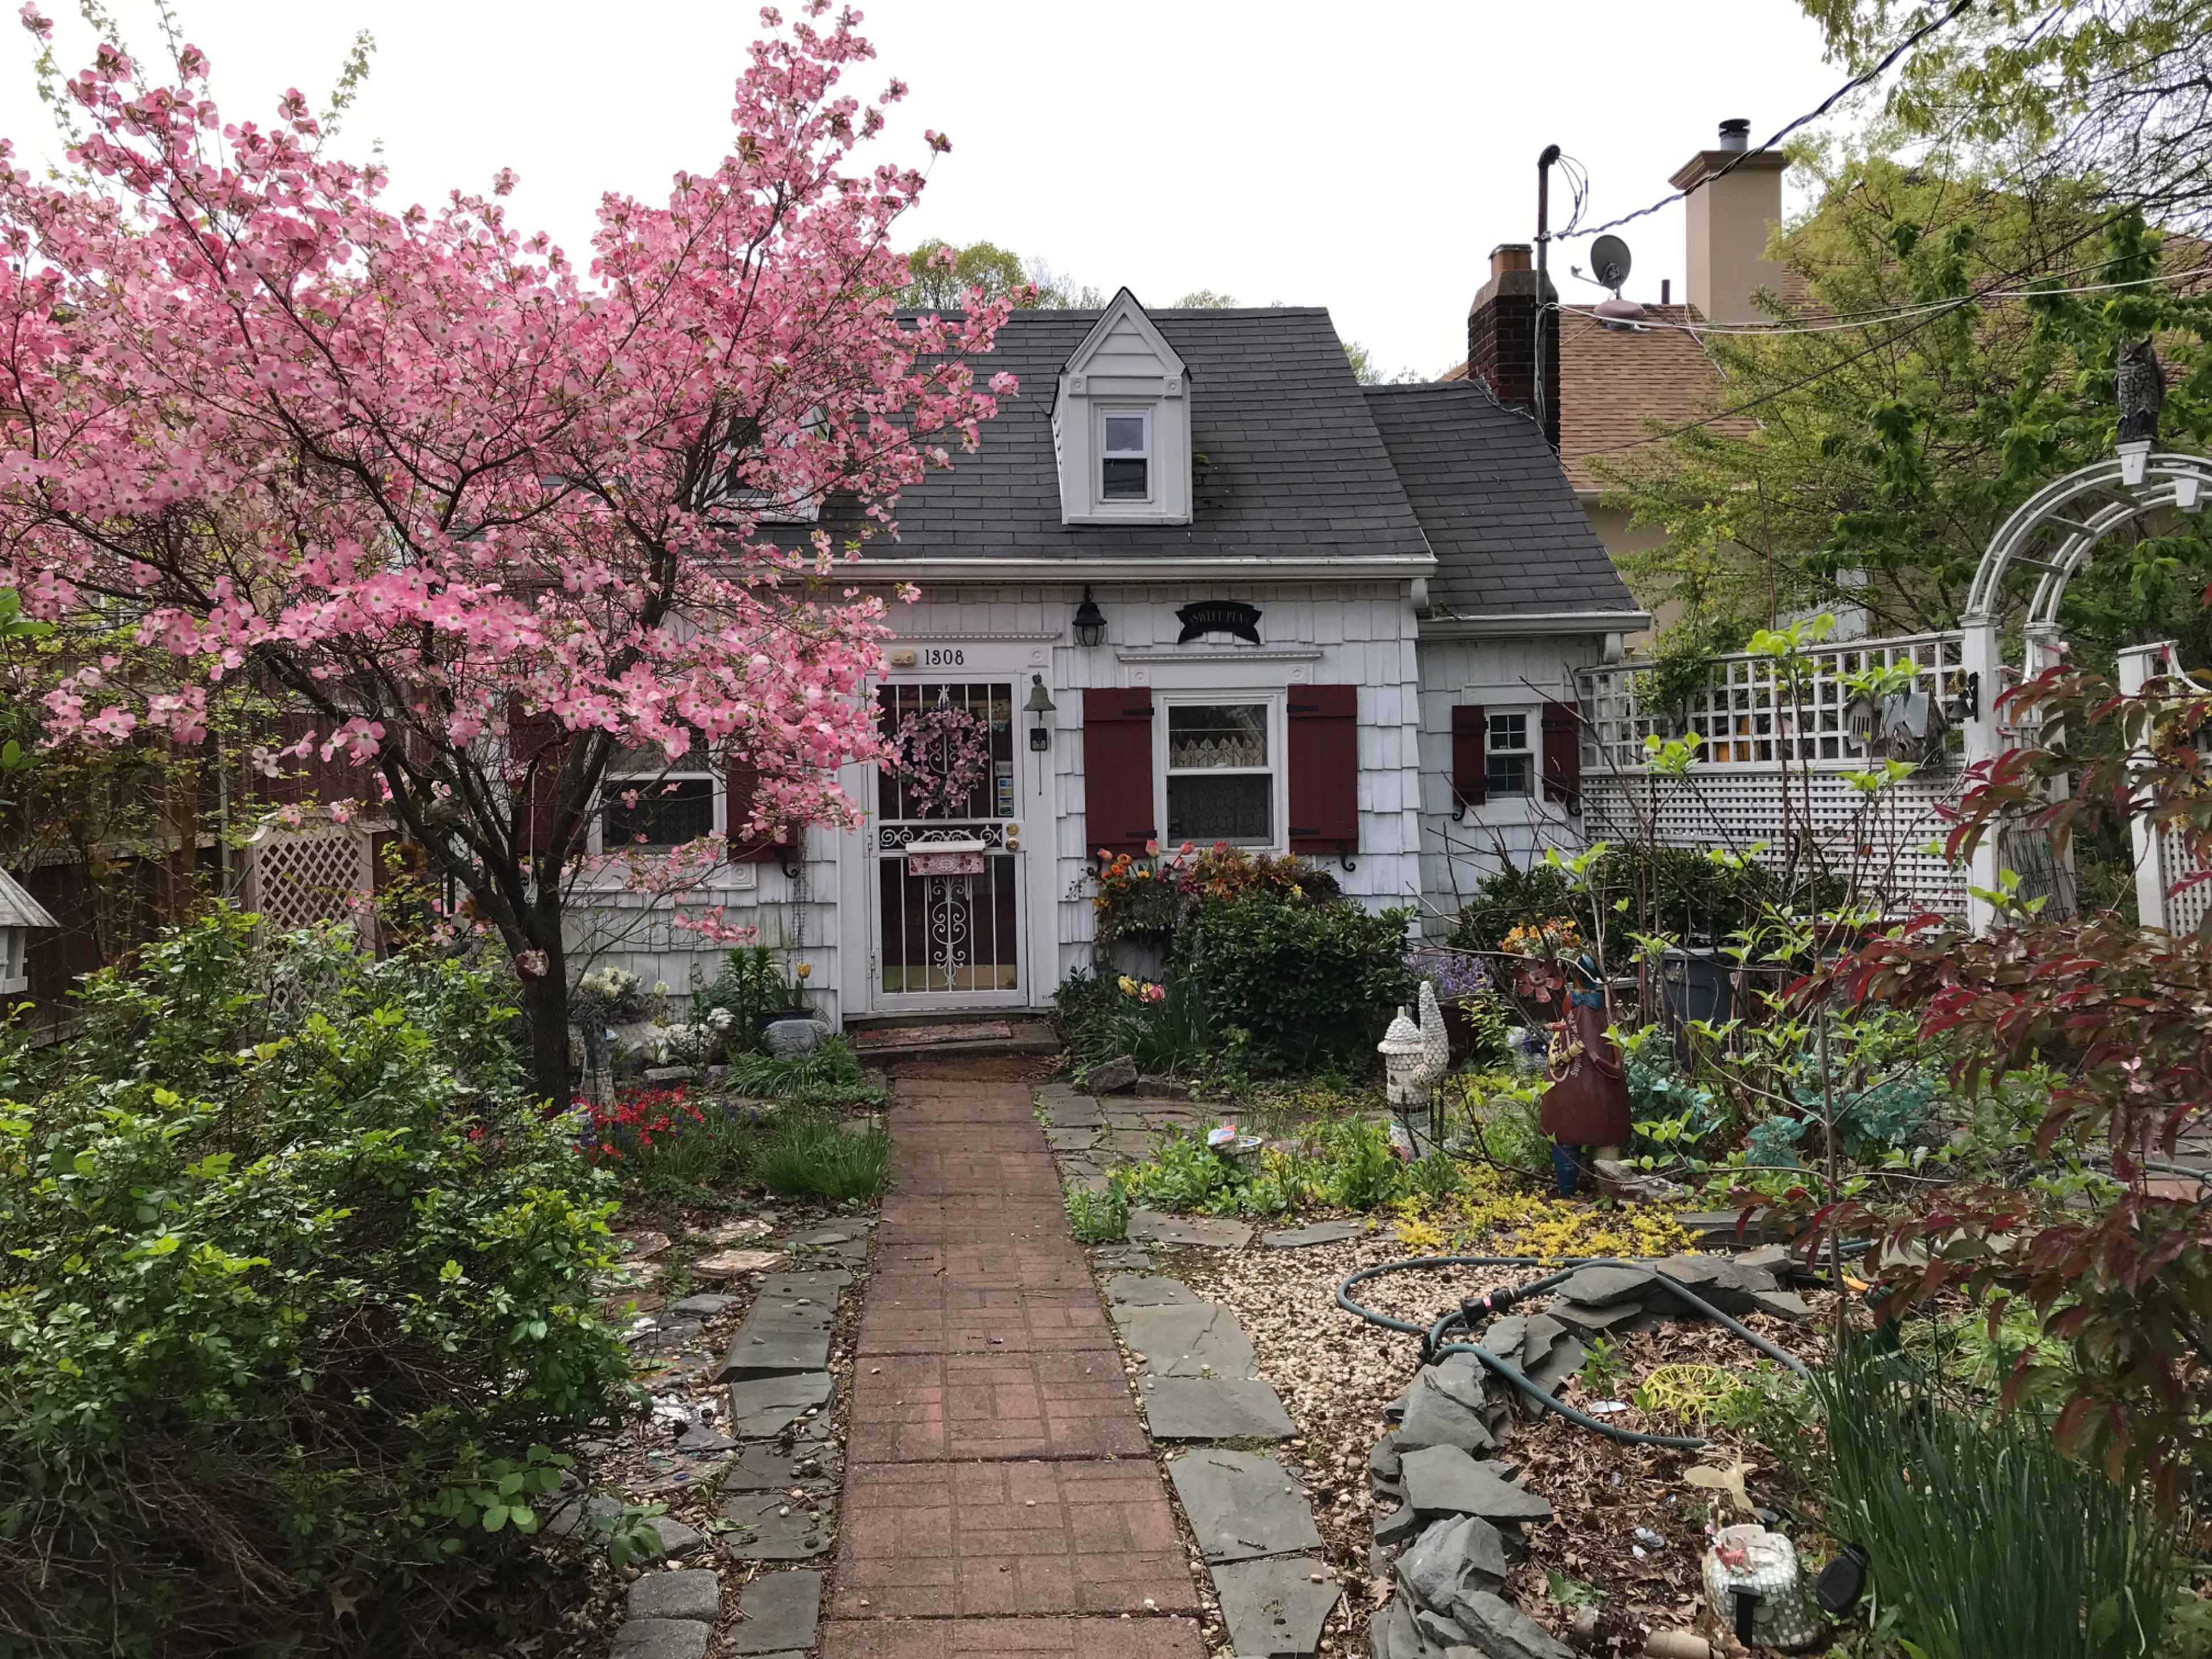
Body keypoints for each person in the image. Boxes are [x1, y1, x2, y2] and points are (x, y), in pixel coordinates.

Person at [1537, 953, 1630, 1196]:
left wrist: (1602, 1061)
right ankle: (1569, 1190)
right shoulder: (1574, 1024)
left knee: (1604, 1135)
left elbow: (1616, 1063)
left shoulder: (1601, 1023)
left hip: (1599, 1092)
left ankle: (1609, 1190)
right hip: (1574, 1092)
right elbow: (1558, 1057)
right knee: (1567, 1131)